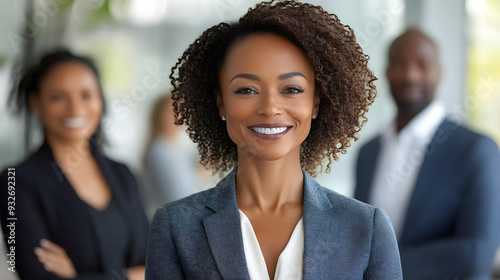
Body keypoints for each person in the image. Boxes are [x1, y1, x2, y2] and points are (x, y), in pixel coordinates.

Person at [146, 1, 402, 279]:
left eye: (291, 89)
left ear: (316, 101)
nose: (270, 107)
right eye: (246, 90)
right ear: (220, 102)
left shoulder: (366, 228)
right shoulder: (176, 227)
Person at [354, 29, 500, 280]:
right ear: (386, 72)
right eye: (399, 63)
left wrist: (378, 266)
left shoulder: (476, 149)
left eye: (422, 64)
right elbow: (357, 237)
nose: (410, 75)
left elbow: (476, 253)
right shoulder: (368, 152)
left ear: (439, 71)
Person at [0, 50, 149, 279]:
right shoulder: (15, 181)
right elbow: (35, 276)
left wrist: (75, 277)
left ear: (100, 99)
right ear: (35, 102)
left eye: (86, 95)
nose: (75, 108)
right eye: (58, 97)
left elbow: (158, 265)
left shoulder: (124, 174)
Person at [142, 94, 207, 218]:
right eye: (172, 112)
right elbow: (181, 198)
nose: (178, 117)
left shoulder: (175, 150)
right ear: (159, 116)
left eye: (181, 111)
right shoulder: (159, 152)